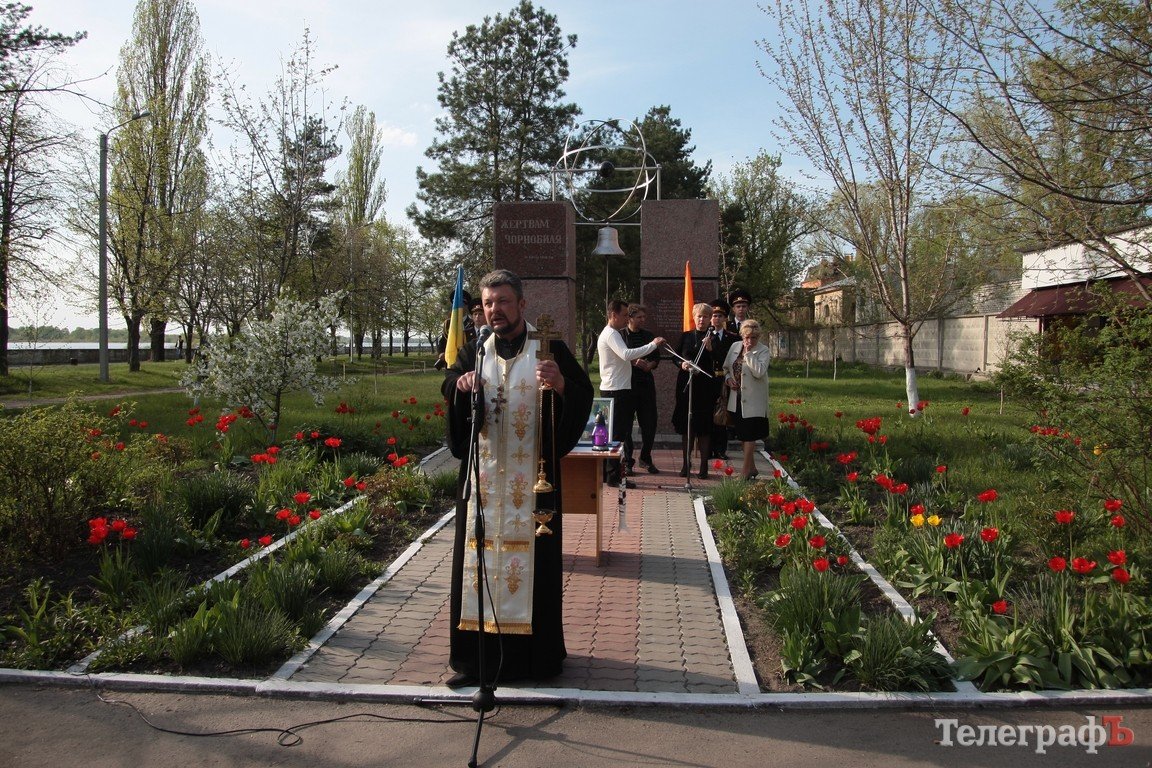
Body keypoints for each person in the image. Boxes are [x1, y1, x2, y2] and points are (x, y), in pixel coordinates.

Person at [441, 269, 594, 688]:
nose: (495, 310)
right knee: (478, 565)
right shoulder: (476, 349)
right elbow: (449, 381)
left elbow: (582, 393)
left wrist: (560, 385)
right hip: (484, 484)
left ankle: (534, 663)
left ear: (522, 304)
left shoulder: (548, 347)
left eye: (503, 301)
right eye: (488, 303)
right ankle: (476, 663)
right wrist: (461, 385)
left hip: (533, 486)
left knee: (534, 570)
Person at [596, 298, 665, 486]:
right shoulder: (611, 334)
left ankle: (610, 473)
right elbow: (626, 354)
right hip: (616, 390)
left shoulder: (612, 333)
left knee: (617, 433)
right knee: (617, 435)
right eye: (625, 315)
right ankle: (613, 476)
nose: (627, 319)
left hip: (618, 388)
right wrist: (653, 345)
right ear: (613, 315)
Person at [671, 302, 720, 478]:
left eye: (706, 317)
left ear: (710, 319)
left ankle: (704, 466)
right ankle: (686, 463)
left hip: (705, 387)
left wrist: (710, 349)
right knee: (687, 426)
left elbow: (719, 360)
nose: (702, 319)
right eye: (699, 316)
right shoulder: (686, 336)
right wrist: (682, 364)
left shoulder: (713, 338)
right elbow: (675, 356)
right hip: (687, 383)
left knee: (704, 427)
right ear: (694, 317)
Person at [722, 319, 771, 480]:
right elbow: (726, 368)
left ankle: (744, 472)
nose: (750, 341)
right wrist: (728, 379)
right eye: (747, 337)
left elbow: (759, 372)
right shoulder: (735, 346)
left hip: (753, 400)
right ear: (742, 336)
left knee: (750, 435)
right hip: (736, 398)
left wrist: (749, 354)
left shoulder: (763, 350)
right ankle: (753, 468)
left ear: (758, 337)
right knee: (743, 435)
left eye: (753, 338)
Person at [624, 303, 661, 474]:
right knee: (626, 425)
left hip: (646, 384)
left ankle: (645, 458)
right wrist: (633, 361)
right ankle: (627, 461)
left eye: (644, 317)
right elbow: (620, 355)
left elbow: (656, 357)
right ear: (630, 318)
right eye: (639, 317)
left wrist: (650, 365)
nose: (642, 320)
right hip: (627, 384)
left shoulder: (648, 335)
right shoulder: (621, 335)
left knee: (649, 423)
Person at [707, 299, 740, 460]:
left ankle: (721, 449)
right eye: (714, 315)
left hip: (724, 379)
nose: (717, 319)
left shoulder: (732, 338)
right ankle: (708, 449)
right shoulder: (705, 336)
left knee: (723, 415)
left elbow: (729, 360)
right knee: (709, 415)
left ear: (725, 318)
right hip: (708, 379)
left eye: (720, 316)